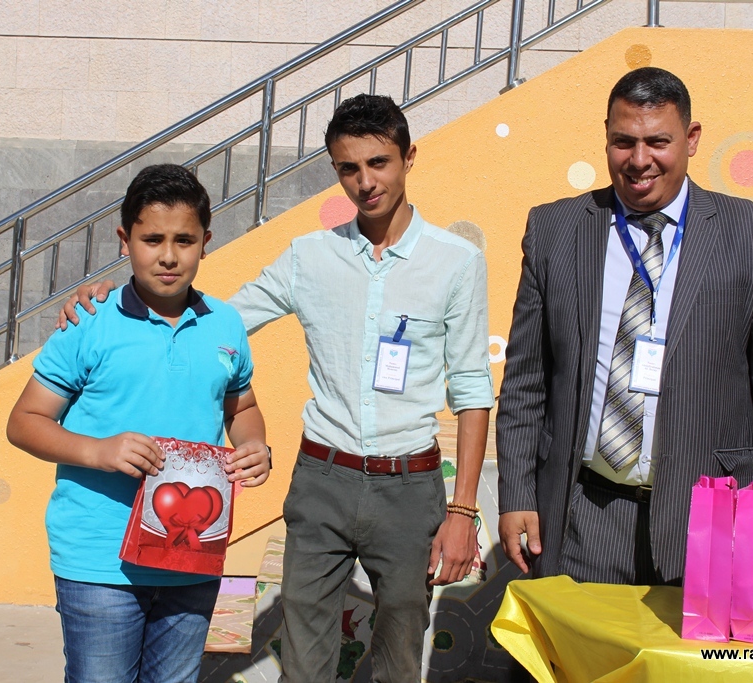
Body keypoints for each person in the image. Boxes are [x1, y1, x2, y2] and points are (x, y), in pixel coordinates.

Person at [56, 95, 494, 682]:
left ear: (408, 157)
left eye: (379, 162)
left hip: (409, 488)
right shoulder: (310, 256)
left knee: (398, 663)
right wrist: (114, 299)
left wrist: (462, 509)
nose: (365, 182)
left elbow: (471, 387)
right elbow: (217, 320)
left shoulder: (456, 262)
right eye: (348, 168)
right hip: (322, 481)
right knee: (304, 665)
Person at [496, 67, 753, 586]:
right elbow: (525, 383)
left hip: (713, 525)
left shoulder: (752, 235)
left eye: (658, 142)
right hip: (582, 518)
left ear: (691, 139)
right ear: (606, 137)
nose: (639, 160)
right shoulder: (555, 230)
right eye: (624, 141)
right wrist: (516, 494)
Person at [7, 164, 271, 683]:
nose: (169, 256)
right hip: (99, 561)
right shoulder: (88, 321)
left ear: (206, 243)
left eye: (184, 240)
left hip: (192, 558)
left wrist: (255, 445)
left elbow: (241, 408)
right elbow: (25, 421)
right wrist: (98, 451)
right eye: (152, 240)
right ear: (124, 240)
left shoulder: (226, 324)